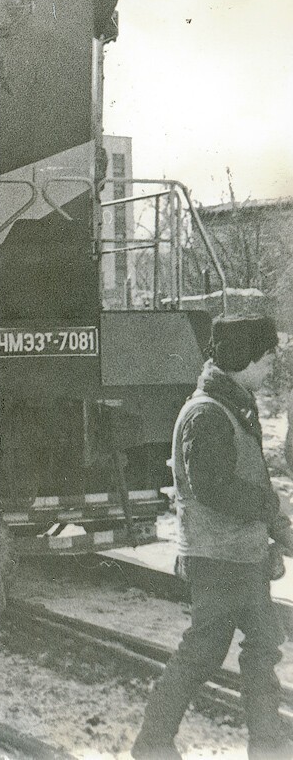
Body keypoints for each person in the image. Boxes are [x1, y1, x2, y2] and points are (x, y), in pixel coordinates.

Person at [133, 314, 291, 760]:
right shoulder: (207, 413)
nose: (267, 371)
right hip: (219, 559)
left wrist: (280, 530)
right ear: (242, 360)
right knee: (203, 654)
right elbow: (215, 487)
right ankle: (152, 746)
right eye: (263, 361)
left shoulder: (233, 405)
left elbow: (251, 482)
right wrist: (272, 510)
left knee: (261, 649)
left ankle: (268, 747)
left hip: (242, 556)